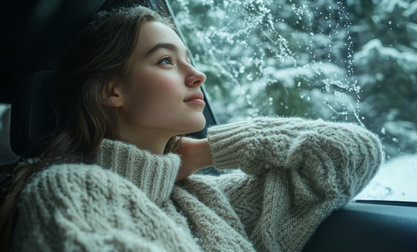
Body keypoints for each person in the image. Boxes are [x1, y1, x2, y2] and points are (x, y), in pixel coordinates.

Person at [0, 5, 383, 252]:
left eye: (189, 59)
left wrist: (207, 151)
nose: (197, 74)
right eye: (166, 60)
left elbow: (352, 154)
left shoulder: (206, 198)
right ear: (112, 91)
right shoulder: (71, 190)